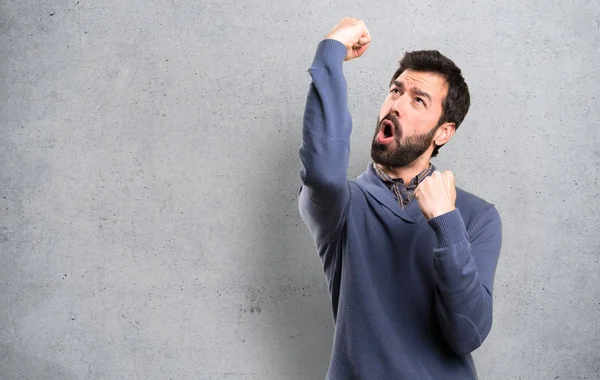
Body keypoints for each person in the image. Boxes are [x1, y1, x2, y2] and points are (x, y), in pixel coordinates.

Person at [297, 17, 503, 380]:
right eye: (395, 91)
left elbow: (466, 334)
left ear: (443, 132)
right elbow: (323, 172)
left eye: (418, 100)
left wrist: (446, 223)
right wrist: (330, 53)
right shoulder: (342, 206)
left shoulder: (476, 216)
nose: (396, 105)